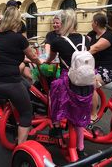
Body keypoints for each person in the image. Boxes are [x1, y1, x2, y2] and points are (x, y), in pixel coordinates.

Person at [0, 6, 41, 144]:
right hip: (9, 82)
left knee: (26, 85)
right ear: (17, 21)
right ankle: (21, 146)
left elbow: (4, 54)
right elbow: (33, 56)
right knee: (26, 112)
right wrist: (39, 62)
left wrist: (22, 58)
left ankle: (1, 108)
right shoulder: (19, 38)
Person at [45, 9, 93, 159]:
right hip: (86, 82)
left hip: (68, 81)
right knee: (78, 117)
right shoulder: (87, 39)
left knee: (52, 93)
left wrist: (45, 62)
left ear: (63, 23)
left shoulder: (57, 41)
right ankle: (80, 148)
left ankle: (57, 126)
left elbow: (49, 59)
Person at [87, 13, 112, 122]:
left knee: (91, 84)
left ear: (96, 23)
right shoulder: (92, 34)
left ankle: (93, 115)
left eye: (92, 21)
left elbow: (94, 49)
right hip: (96, 66)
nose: (91, 23)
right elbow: (82, 43)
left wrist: (76, 56)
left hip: (110, 68)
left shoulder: (109, 35)